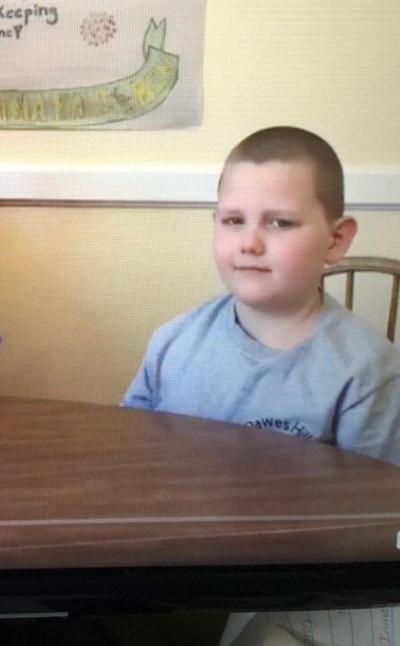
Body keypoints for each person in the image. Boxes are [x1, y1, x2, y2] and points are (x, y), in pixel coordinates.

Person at [122, 125, 400, 461]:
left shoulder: (369, 371)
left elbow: (375, 491)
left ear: (336, 239)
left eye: (279, 223)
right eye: (233, 221)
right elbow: (129, 454)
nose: (249, 243)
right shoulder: (171, 343)